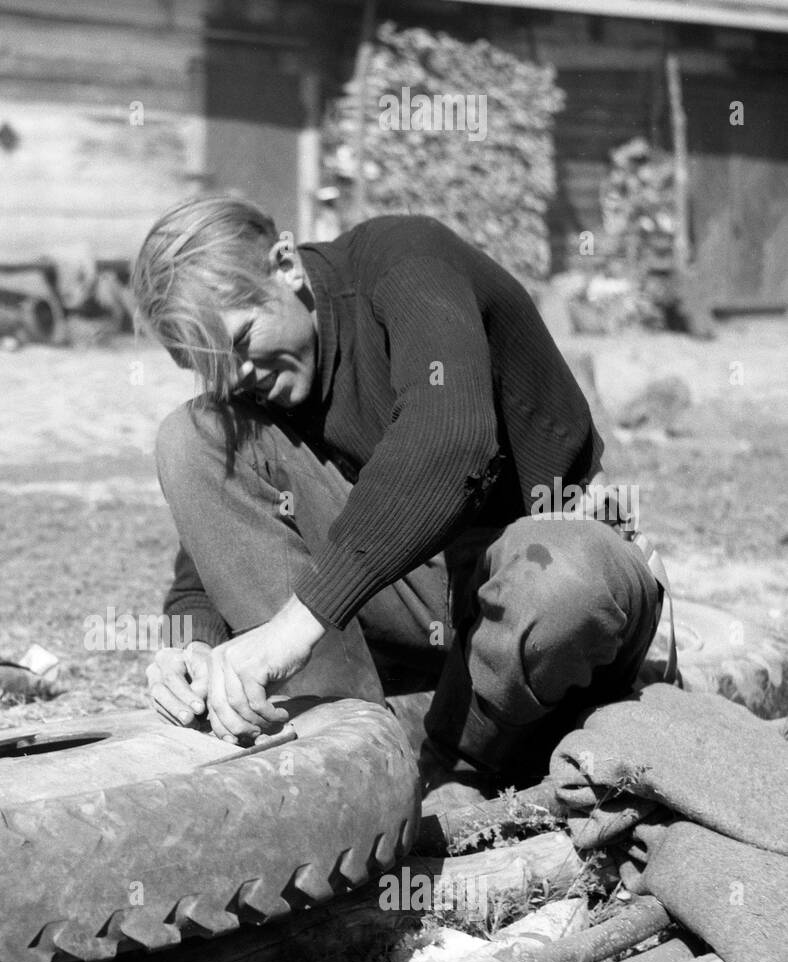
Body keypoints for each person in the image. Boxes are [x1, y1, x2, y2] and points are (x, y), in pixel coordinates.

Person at [133, 196, 667, 808]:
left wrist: (294, 626)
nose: (235, 378)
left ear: (285, 265)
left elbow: (454, 438)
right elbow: (215, 540)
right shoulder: (263, 380)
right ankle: (343, 753)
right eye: (211, 366)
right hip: (417, 616)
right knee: (192, 434)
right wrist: (192, 644)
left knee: (562, 582)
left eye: (243, 339)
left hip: (534, 584)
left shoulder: (406, 262)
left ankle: (458, 765)